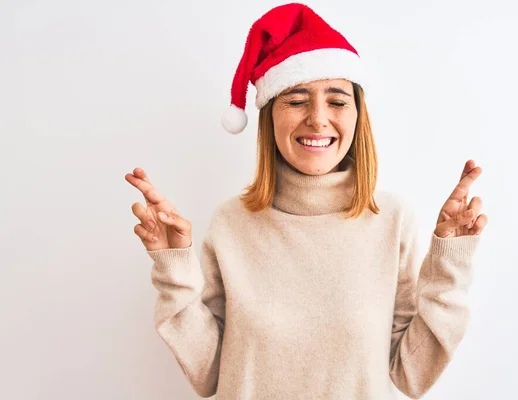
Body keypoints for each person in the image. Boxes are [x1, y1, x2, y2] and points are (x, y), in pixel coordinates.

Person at [125, 3, 488, 399]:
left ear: (356, 117)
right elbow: (209, 372)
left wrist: (449, 260)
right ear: (270, 119)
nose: (318, 119)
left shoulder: (391, 220)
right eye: (296, 100)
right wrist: (172, 267)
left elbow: (411, 374)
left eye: (336, 100)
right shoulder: (231, 222)